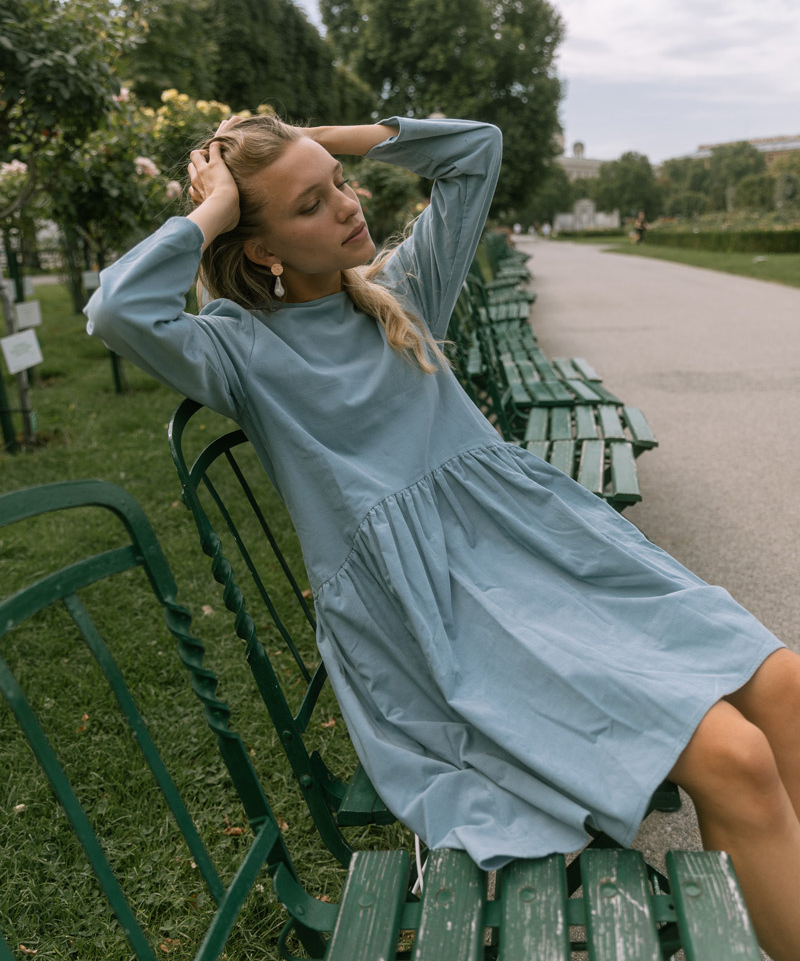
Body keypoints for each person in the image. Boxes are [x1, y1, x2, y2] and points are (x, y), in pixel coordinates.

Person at [86, 114, 800, 959]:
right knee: (735, 758)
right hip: (450, 613)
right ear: (262, 252)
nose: (349, 207)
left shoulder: (400, 289)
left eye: (341, 184)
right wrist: (216, 204)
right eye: (311, 205)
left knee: (786, 684)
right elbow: (117, 309)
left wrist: (308, 137)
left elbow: (477, 148)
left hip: (545, 552)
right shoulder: (239, 353)